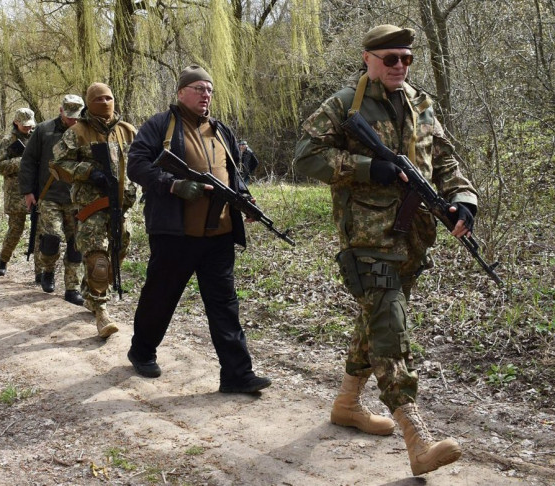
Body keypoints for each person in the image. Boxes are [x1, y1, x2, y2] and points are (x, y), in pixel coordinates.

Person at [293, 25, 478, 475]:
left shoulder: (420, 102)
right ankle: (417, 438)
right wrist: (366, 168)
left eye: (406, 59)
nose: (400, 66)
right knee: (390, 328)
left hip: (412, 235)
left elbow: (446, 159)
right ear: (368, 58)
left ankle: (346, 404)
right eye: (391, 58)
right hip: (367, 236)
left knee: (375, 320)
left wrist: (463, 200)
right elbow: (305, 156)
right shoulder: (344, 104)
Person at [125, 65, 272, 394]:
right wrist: (173, 185)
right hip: (174, 235)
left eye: (209, 90)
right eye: (199, 89)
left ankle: (237, 375)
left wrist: (244, 199)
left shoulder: (222, 131)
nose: (206, 95)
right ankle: (142, 350)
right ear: (181, 93)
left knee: (225, 305)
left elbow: (235, 173)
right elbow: (136, 164)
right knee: (160, 297)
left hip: (218, 235)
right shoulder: (160, 126)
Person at [51, 83, 136, 337]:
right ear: (89, 103)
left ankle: (91, 291)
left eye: (109, 97)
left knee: (119, 249)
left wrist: (134, 189)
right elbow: (57, 165)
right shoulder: (77, 131)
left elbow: (141, 163)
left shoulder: (127, 131)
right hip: (90, 206)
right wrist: (88, 171)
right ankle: (101, 310)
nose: (105, 102)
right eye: (99, 99)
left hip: (121, 205)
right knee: (98, 258)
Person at [20, 94, 85, 305]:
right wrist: (28, 192)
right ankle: (47, 270)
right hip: (48, 195)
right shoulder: (44, 130)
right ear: (61, 111)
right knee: (51, 238)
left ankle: (73, 287)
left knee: (76, 244)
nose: (73, 121)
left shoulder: (86, 131)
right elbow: (28, 161)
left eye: (77, 117)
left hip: (77, 197)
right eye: (69, 116)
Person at [0, 108, 36, 276]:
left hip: (36, 189)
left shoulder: (36, 137)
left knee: (40, 231)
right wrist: (22, 161)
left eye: (30, 125)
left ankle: (40, 271)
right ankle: (3, 260)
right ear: (16, 122)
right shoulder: (7, 141)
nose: (28, 129)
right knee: (15, 230)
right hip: (15, 193)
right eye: (25, 125)